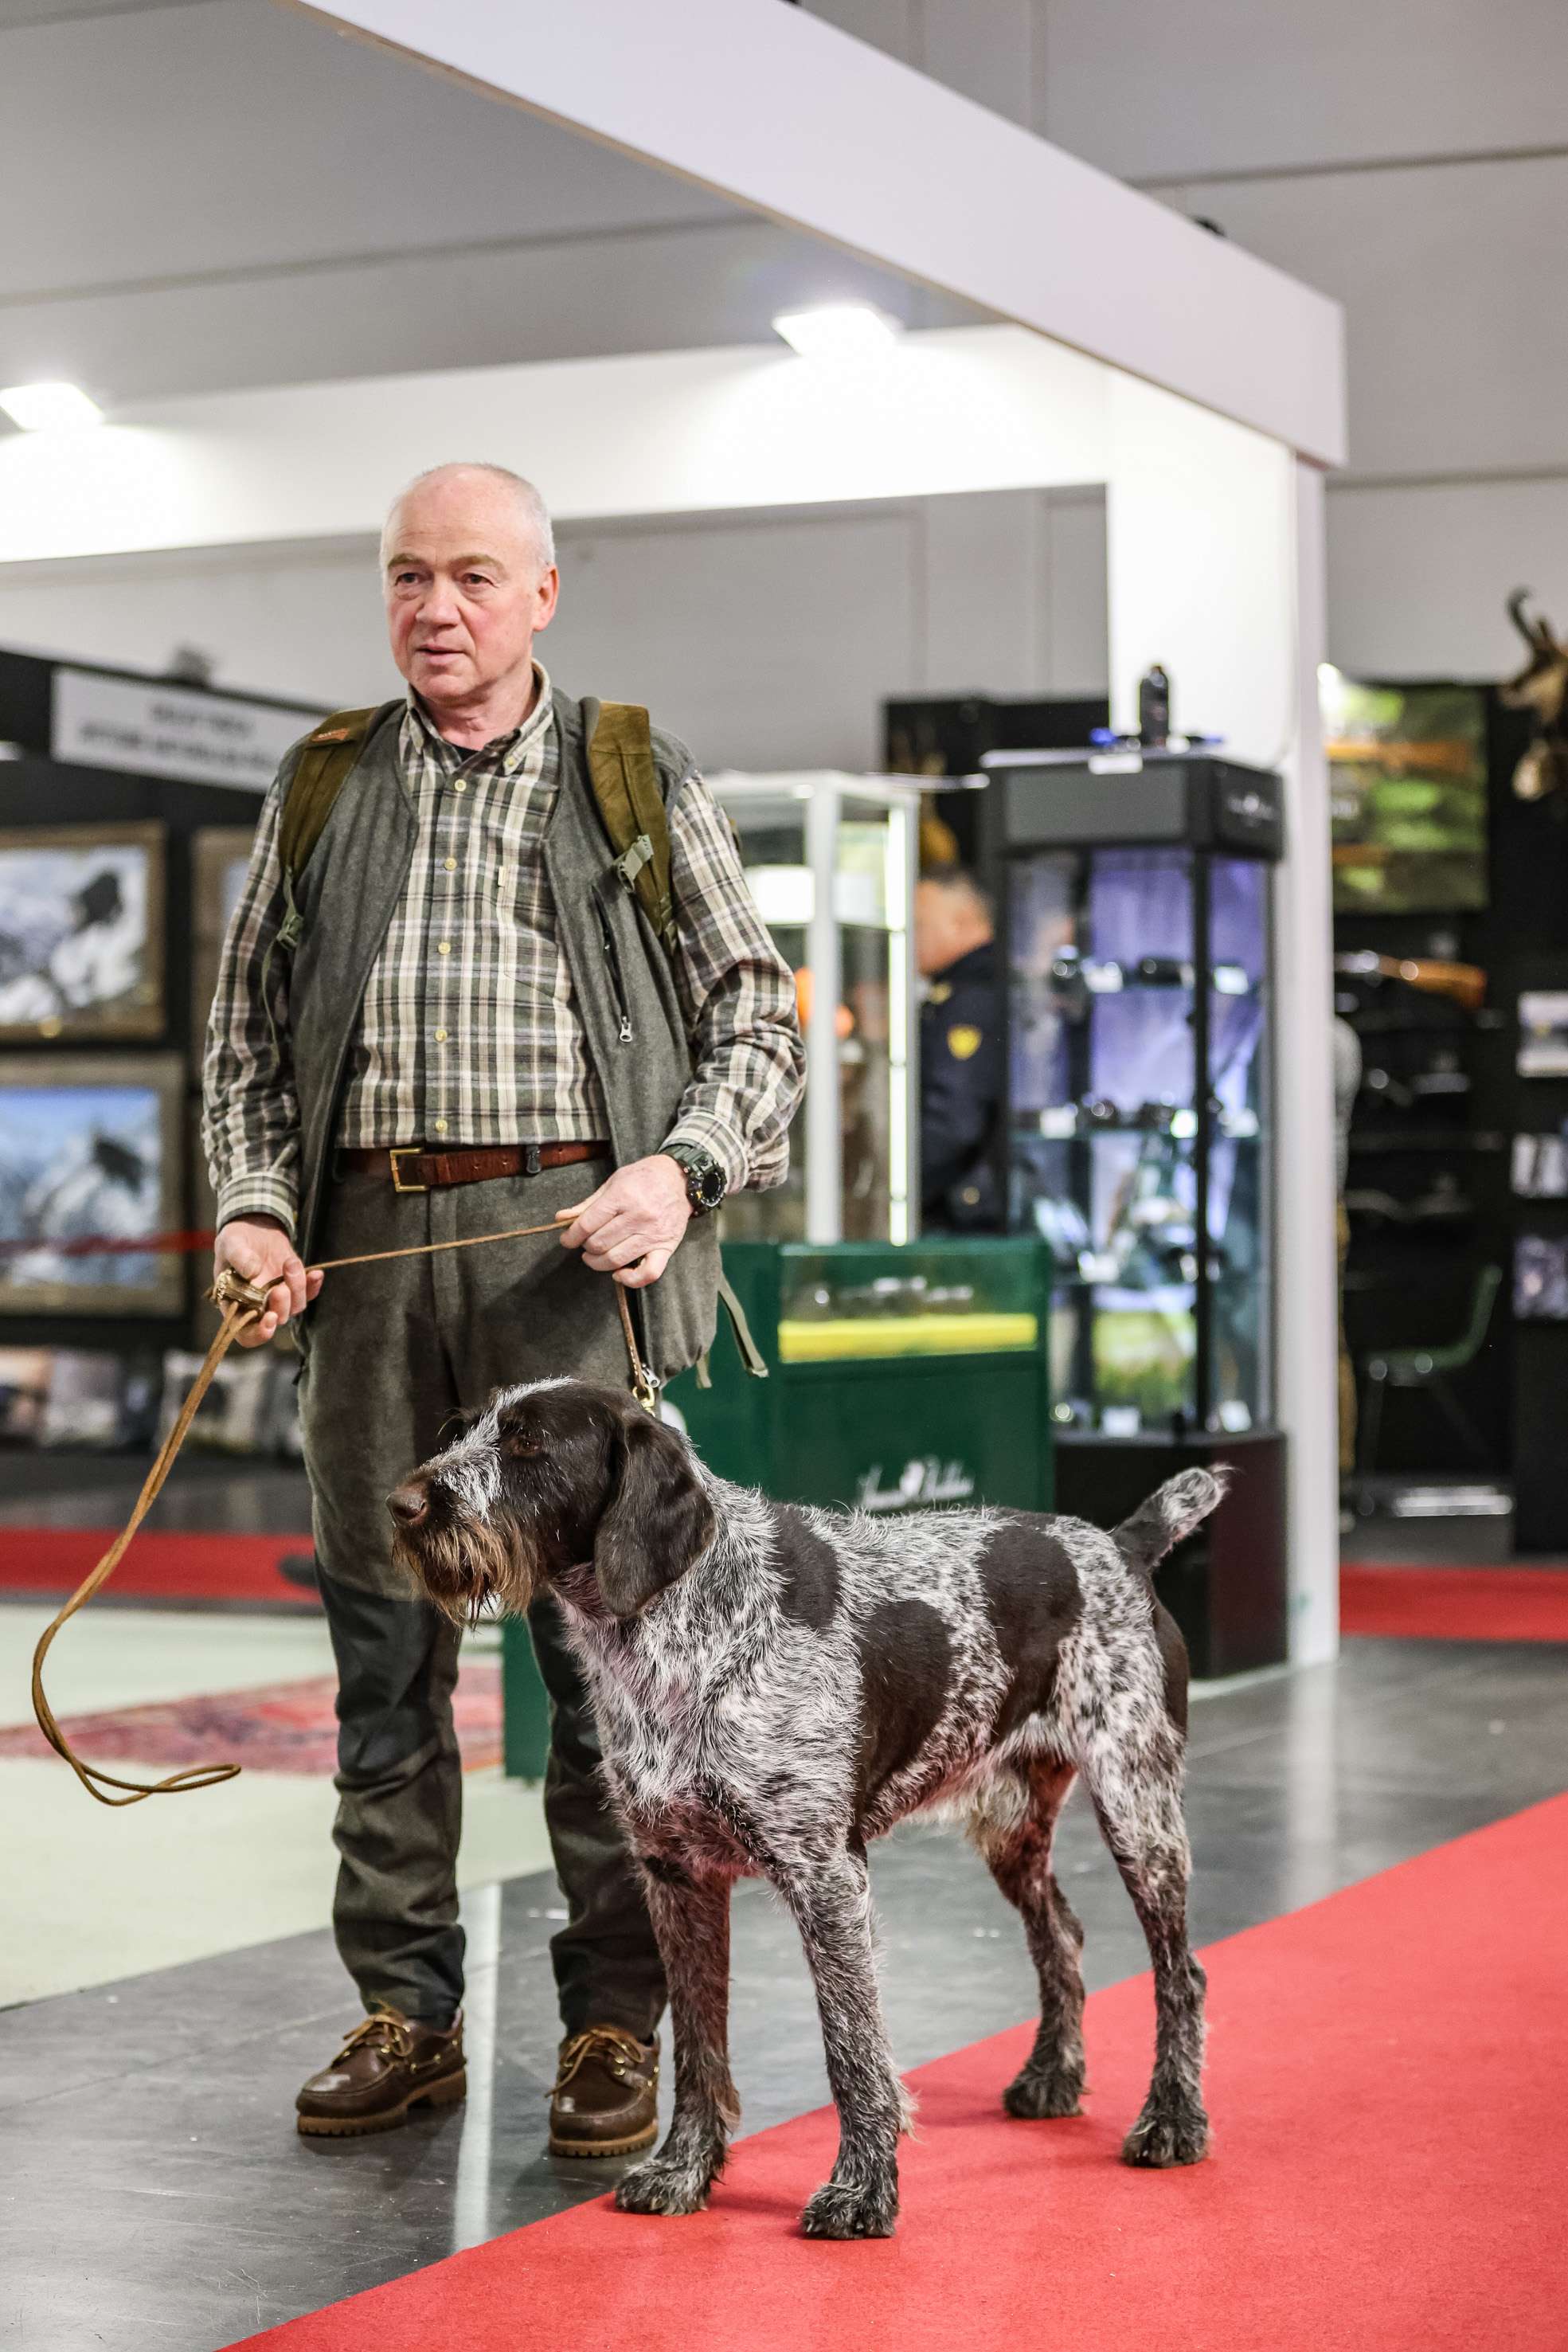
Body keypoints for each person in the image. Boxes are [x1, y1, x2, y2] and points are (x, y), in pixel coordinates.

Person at [202, 462, 804, 2153]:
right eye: (409, 574)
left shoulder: (632, 772)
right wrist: (254, 1203)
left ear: (542, 594)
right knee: (380, 1657)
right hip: (363, 1258)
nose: (435, 606)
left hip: (566, 1262)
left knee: (604, 1665)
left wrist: (680, 1169)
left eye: (472, 575)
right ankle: (405, 2010)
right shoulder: (323, 782)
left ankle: (614, 2022)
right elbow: (244, 1037)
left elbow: (759, 1016)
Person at [914, 865, 1003, 1231]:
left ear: (962, 921)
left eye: (921, 925)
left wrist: (902, 1188)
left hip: (964, 1215)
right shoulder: (974, 987)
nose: (912, 938)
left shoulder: (971, 999)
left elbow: (954, 1120)